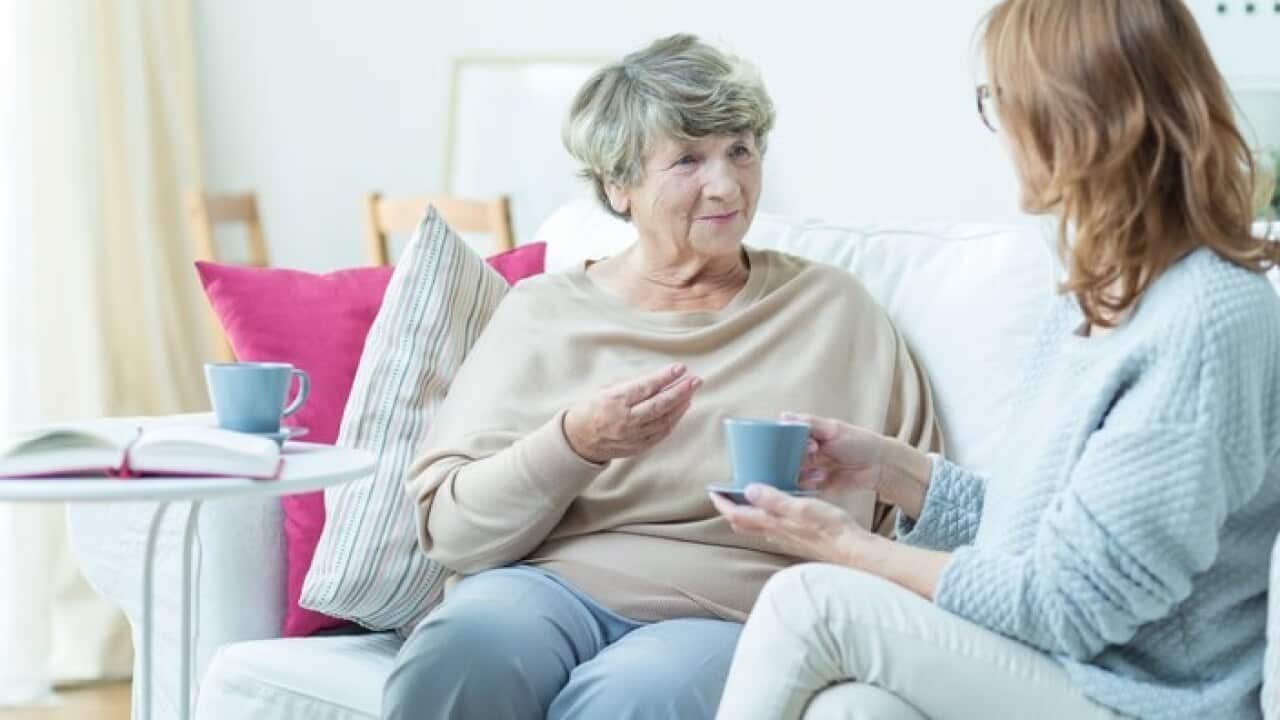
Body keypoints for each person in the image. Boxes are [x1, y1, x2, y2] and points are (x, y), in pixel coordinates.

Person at [713, 1, 1280, 718]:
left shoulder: (1204, 316)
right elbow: (1039, 539)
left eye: (1000, 100)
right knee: (854, 710)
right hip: (1058, 668)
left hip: (1144, 699)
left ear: (1071, 113)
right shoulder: (1100, 292)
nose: (999, 128)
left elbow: (1072, 604)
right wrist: (892, 469)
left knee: (811, 602)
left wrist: (847, 546)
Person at [381, 34, 941, 720]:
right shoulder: (544, 313)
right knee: (460, 651)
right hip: (550, 588)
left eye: (740, 149)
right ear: (620, 187)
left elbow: (924, 515)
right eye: (687, 160)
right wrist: (575, 443)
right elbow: (452, 529)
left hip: (736, 608)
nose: (727, 184)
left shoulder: (833, 310)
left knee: (637, 696)